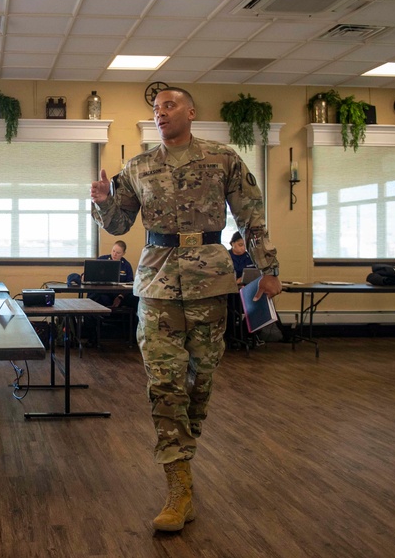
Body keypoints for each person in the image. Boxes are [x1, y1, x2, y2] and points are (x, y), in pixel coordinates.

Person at [90, 86, 281, 533]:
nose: (161, 113)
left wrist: (268, 268)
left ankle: (184, 455)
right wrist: (101, 202)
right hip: (156, 282)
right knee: (164, 383)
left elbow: (251, 216)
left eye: (169, 105)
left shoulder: (223, 158)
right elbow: (120, 224)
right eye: (155, 109)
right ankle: (178, 487)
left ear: (192, 111)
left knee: (201, 379)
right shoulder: (137, 167)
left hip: (210, 281)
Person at [88, 240, 136, 308]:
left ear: (123, 253)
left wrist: (120, 297)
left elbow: (130, 283)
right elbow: (90, 273)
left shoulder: (126, 265)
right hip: (103, 292)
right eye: (113, 251)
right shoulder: (102, 260)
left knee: (135, 298)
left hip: (119, 294)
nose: (114, 254)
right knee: (100, 298)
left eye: (118, 253)